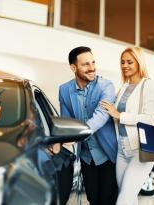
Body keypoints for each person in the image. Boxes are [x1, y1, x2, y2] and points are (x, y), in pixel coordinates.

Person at [100, 47, 154, 205]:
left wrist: (120, 115)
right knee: (128, 197)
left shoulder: (149, 85)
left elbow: (149, 118)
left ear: (139, 63)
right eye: (122, 62)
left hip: (140, 150)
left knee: (123, 200)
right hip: (122, 150)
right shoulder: (124, 87)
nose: (124, 65)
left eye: (129, 62)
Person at [58, 46, 118, 205]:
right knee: (92, 199)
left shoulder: (106, 86)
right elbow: (66, 121)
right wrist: (60, 139)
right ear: (73, 67)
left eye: (93, 62)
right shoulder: (64, 90)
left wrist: (77, 135)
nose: (92, 68)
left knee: (108, 201)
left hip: (108, 155)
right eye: (85, 64)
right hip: (86, 157)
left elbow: (101, 116)